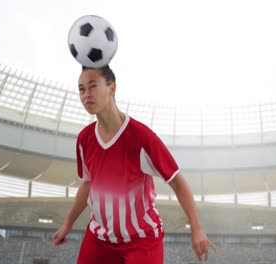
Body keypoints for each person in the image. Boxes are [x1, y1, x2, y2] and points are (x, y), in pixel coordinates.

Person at [53, 65, 216, 263]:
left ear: (112, 88)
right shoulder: (84, 139)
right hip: (99, 239)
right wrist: (68, 224)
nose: (86, 94)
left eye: (92, 86)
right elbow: (87, 184)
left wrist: (197, 229)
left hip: (142, 240)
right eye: (81, 89)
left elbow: (177, 182)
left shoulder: (142, 138)